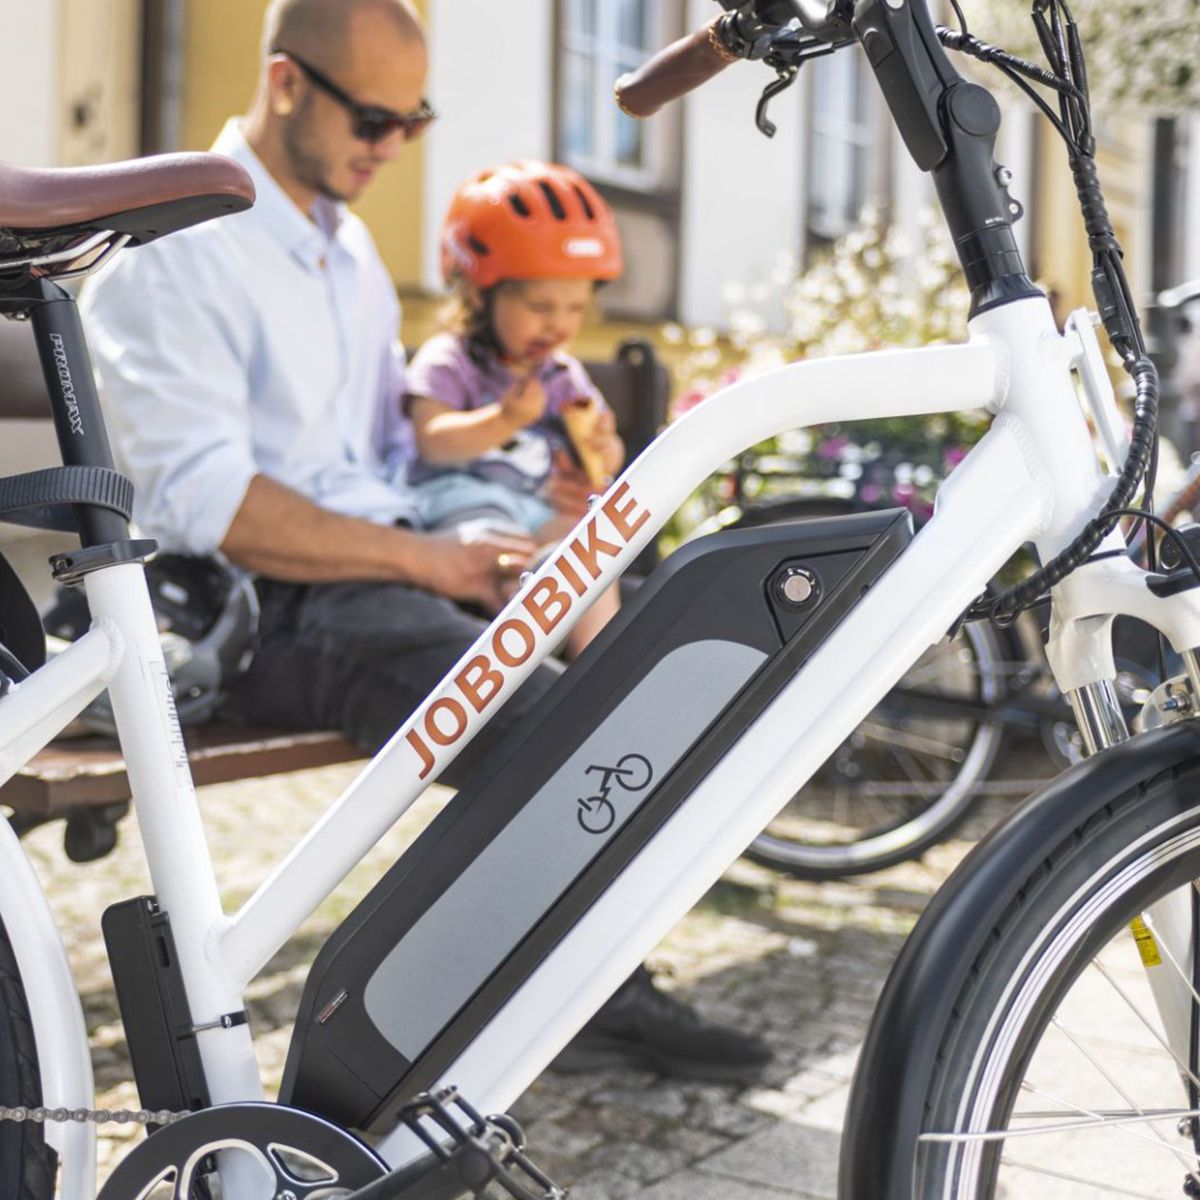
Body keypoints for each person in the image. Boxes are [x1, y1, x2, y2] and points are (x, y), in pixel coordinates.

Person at [81, 0, 770, 1084]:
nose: (392, 148)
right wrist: (435, 562)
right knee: (544, 719)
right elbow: (207, 507)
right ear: (286, 83)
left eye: (413, 120)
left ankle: (565, 978)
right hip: (253, 610)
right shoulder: (180, 249)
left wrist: (514, 505)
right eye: (372, 119)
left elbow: (384, 465)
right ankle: (507, 1004)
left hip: (372, 566)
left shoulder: (346, 251)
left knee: (627, 671)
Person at [395, 160, 626, 654]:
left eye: (576, 309)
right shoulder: (450, 359)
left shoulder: (560, 374)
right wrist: (503, 421)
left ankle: (603, 667)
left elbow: (606, 463)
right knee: (502, 557)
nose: (559, 326)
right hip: (458, 505)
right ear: (479, 295)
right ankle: (521, 676)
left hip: (533, 511)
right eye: (540, 308)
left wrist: (603, 448)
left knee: (591, 554)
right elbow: (431, 440)